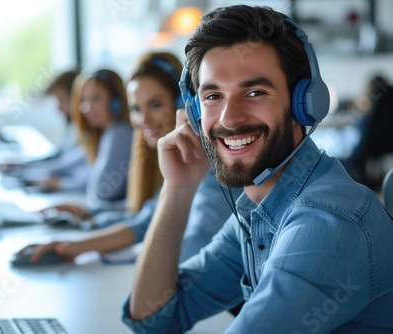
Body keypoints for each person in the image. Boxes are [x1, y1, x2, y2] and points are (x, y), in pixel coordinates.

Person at [123, 5, 393, 333]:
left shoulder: (327, 222)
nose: (229, 118)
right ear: (194, 114)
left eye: (254, 92)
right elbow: (153, 317)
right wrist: (177, 189)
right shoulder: (260, 210)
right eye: (213, 96)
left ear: (304, 104)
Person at [15, 52, 242, 265]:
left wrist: (122, 255)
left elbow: (192, 250)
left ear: (184, 105)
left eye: (155, 104)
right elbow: (144, 221)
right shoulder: (180, 159)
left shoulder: (213, 168)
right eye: (135, 108)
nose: (143, 119)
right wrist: (72, 246)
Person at [46, 68, 134, 219]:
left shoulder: (119, 134)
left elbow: (100, 191)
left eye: (96, 99)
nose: (87, 108)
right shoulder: (105, 135)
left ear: (115, 101)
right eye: (83, 101)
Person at [1, 69, 91, 193]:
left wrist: (23, 171)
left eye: (62, 100)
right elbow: (59, 159)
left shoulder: (91, 133)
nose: (59, 108)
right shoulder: (74, 128)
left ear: (76, 98)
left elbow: (63, 164)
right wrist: (23, 167)